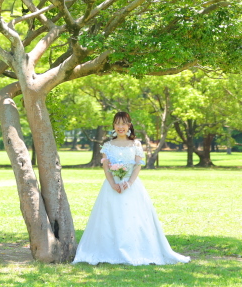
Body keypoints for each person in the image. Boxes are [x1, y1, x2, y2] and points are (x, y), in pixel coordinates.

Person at [73, 111, 191, 266]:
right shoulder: (107, 145)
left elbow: (137, 166)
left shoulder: (136, 144)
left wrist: (128, 183)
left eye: (123, 123)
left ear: (129, 125)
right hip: (111, 187)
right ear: (113, 126)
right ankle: (109, 250)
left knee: (133, 218)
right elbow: (106, 168)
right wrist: (113, 184)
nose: (120, 127)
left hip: (132, 186)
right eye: (117, 123)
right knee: (109, 218)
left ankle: (135, 249)